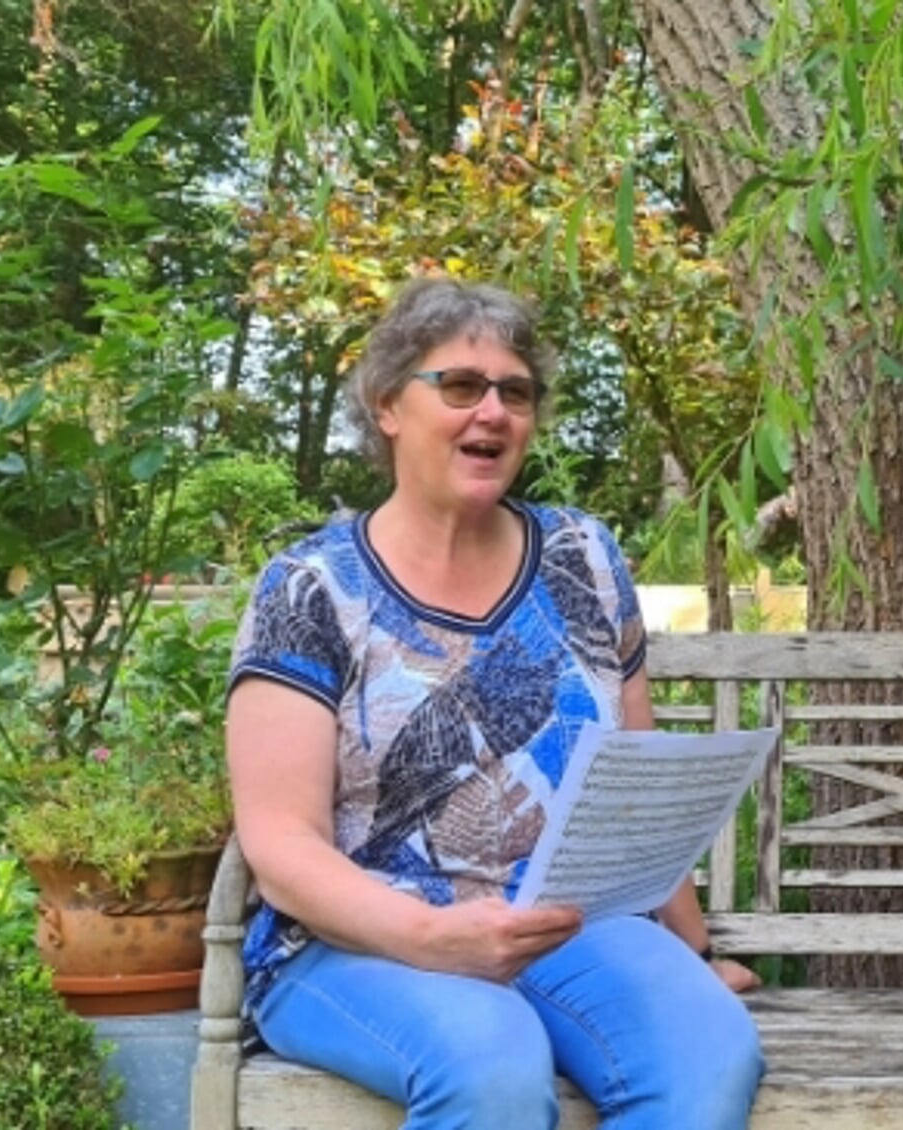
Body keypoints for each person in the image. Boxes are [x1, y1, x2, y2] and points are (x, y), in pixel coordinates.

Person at [225, 277, 764, 1129]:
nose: (493, 413)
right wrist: (427, 937)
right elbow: (280, 841)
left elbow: (637, 786)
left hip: (567, 924)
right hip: (355, 943)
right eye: (460, 385)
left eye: (515, 392)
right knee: (492, 1067)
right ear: (387, 406)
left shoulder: (581, 556)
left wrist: (692, 952)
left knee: (710, 1051)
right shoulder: (311, 588)